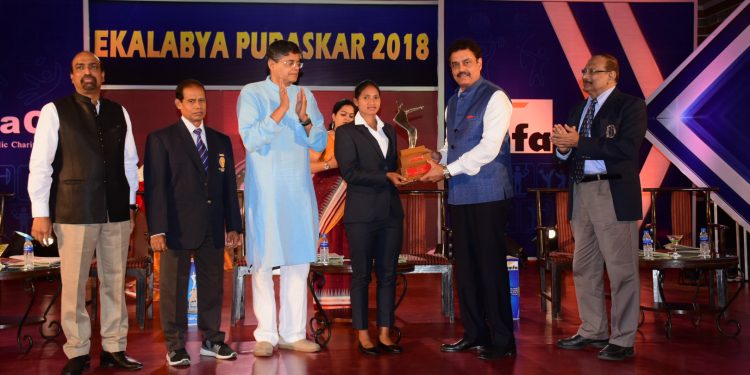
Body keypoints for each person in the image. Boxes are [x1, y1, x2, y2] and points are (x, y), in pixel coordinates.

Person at [28, 51, 142, 374]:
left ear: (102, 75)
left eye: (93, 67)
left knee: (114, 282)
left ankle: (114, 348)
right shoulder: (55, 112)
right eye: (80, 68)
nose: (87, 72)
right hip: (73, 211)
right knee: (75, 284)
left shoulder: (120, 112)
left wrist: (131, 205)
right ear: (72, 77)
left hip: (117, 212)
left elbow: (129, 163)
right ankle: (77, 351)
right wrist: (40, 212)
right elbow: (40, 165)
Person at [420, 39, 516, 360]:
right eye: (454, 65)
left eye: (466, 63)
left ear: (479, 63)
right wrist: (437, 157)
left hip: (488, 194)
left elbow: (489, 149)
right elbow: (452, 144)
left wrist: (445, 171)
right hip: (460, 195)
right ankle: (474, 333)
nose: (460, 69)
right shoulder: (452, 101)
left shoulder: (496, 97)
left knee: (490, 268)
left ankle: (502, 340)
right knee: (467, 270)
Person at [551, 54, 646, 361]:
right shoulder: (580, 109)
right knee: (584, 267)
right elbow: (568, 153)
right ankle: (593, 329)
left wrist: (580, 142)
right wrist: (564, 148)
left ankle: (623, 338)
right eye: (584, 71)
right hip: (581, 192)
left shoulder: (630, 105)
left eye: (594, 71)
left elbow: (626, 149)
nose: (586, 75)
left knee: (621, 271)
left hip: (612, 191)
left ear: (612, 75)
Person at [143, 79, 243, 367]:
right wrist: (157, 229)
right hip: (175, 227)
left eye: (202, 100)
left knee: (213, 287)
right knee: (174, 289)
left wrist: (233, 226)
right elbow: (155, 188)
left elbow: (228, 189)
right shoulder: (162, 139)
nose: (198, 106)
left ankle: (213, 340)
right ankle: (175, 346)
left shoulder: (221, 141)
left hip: (212, 227)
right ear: (178, 104)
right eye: (191, 101)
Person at [237, 40, 326, 357]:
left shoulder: (307, 95)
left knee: (299, 261)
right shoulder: (251, 93)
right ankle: (265, 335)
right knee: (263, 263)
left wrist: (302, 116)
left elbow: (319, 140)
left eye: (298, 63)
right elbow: (250, 139)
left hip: (297, 189)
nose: (296, 68)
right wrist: (280, 111)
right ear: (271, 63)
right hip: (267, 190)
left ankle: (292, 332)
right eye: (289, 62)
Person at [334, 80, 408, 355]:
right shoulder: (346, 132)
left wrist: (412, 168)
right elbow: (349, 173)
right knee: (362, 277)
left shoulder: (388, 129)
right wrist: (385, 176)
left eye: (375, 97)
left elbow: (396, 167)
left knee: (388, 275)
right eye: (365, 97)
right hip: (362, 214)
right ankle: (363, 333)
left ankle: (385, 333)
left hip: (390, 212)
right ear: (356, 101)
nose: (371, 102)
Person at [309, 99, 356, 307]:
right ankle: (324, 305)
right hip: (325, 201)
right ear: (333, 117)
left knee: (345, 248)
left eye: (352, 116)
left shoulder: (358, 142)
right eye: (343, 114)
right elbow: (308, 166)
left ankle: (345, 305)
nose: (347, 118)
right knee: (325, 247)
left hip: (350, 204)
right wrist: (332, 164)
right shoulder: (324, 139)